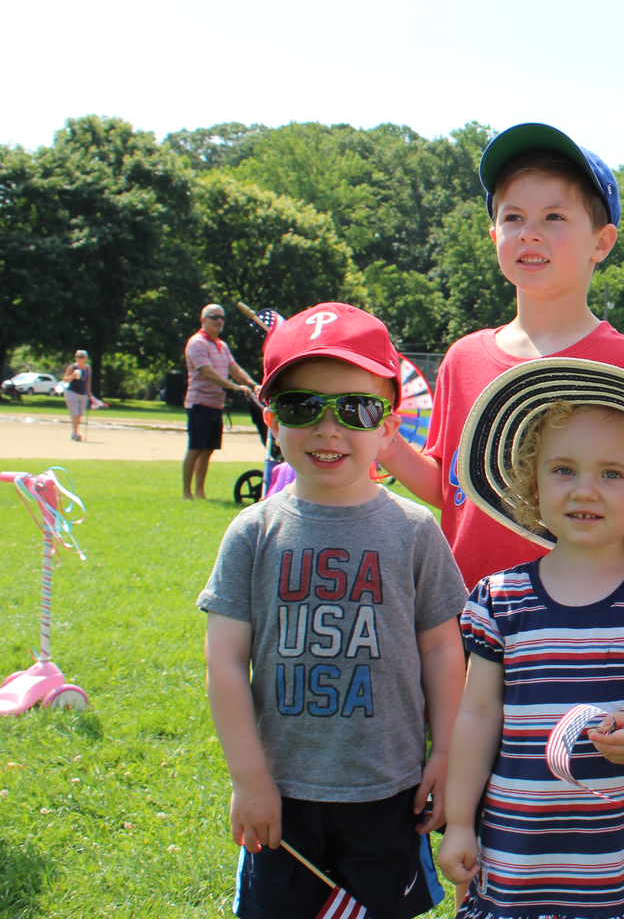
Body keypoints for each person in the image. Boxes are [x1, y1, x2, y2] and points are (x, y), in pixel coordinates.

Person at [198, 302, 468, 918]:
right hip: (283, 793)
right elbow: (224, 663)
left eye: (355, 408)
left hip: (389, 792)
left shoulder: (415, 531)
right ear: (271, 418)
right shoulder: (253, 531)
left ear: (389, 424)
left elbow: (441, 650)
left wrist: (446, 753)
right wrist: (249, 778)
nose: (328, 429)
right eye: (301, 407)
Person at [436, 359, 624, 918]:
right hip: (516, 862)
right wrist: (461, 822)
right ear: (533, 483)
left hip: (622, 870)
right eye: (563, 470)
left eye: (612, 474)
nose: (584, 490)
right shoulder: (500, 599)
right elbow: (476, 717)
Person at [376, 123, 624, 589]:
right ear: (494, 237)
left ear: (601, 242)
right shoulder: (463, 358)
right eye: (513, 218)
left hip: (583, 617)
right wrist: (384, 442)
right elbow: (448, 490)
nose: (529, 233)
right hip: (468, 609)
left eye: (554, 217)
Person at [184, 303, 261, 499]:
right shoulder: (197, 343)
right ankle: (187, 492)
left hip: (216, 405)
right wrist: (234, 387)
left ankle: (200, 491)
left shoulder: (222, 346)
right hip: (199, 403)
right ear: (203, 320)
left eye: (221, 317)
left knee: (208, 449)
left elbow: (235, 370)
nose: (219, 321)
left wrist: (253, 385)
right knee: (195, 448)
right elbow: (208, 373)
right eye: (214, 317)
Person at [62, 350, 91, 441]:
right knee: (75, 414)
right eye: (78, 356)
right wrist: (72, 376)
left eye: (81, 357)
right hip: (72, 393)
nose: (79, 358)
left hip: (83, 394)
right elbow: (65, 379)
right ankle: (75, 433)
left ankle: (75, 432)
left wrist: (88, 392)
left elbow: (88, 380)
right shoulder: (72, 367)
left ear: (85, 358)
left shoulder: (87, 368)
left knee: (79, 415)